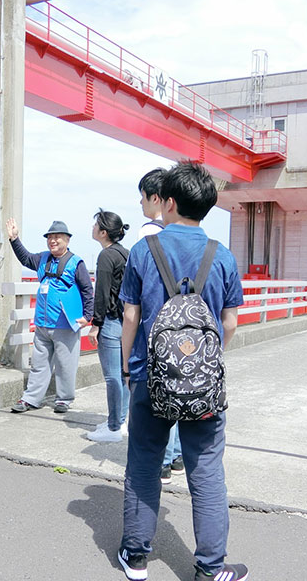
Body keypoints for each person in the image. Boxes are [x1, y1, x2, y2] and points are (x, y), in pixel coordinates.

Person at [117, 162, 247, 581]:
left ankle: (135, 558)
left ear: (168, 202)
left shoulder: (143, 250)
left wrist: (127, 366)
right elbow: (229, 323)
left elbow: (131, 316)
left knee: (143, 462)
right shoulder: (222, 256)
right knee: (206, 467)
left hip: (148, 376)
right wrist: (204, 364)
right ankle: (210, 568)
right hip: (203, 383)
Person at [5, 218, 94, 414]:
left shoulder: (75, 262)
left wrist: (88, 316)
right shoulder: (43, 259)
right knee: (39, 364)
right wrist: (14, 239)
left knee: (66, 365)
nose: (53, 241)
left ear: (67, 240)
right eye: (50, 238)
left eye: (57, 238)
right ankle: (30, 399)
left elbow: (88, 290)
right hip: (42, 324)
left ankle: (64, 399)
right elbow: (25, 257)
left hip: (65, 324)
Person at [138, 168, 184, 483]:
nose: (140, 204)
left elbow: (135, 301)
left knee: (159, 398)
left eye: (142, 197)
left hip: (156, 330)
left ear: (158, 199)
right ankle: (178, 456)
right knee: (180, 393)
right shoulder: (188, 237)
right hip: (184, 328)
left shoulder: (146, 235)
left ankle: (164, 463)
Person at [86, 209, 130, 443]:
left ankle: (113, 427)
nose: (92, 228)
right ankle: (120, 420)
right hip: (126, 322)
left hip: (111, 322)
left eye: (96, 226)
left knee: (112, 377)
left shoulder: (105, 256)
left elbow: (101, 294)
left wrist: (96, 324)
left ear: (103, 232)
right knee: (123, 376)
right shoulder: (125, 253)